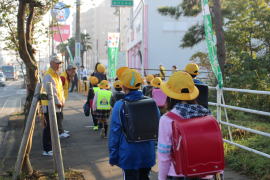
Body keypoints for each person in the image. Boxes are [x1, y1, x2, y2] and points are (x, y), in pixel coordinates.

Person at [158, 71, 215, 180]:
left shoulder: (167, 119)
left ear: (170, 95)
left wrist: (161, 178)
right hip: (205, 173)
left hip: (178, 173)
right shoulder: (207, 115)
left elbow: (164, 155)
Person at [109, 67, 157, 180]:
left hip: (129, 154)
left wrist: (113, 156)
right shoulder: (151, 103)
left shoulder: (119, 105)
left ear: (123, 86)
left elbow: (115, 133)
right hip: (147, 153)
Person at [41, 55, 68, 156]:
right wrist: (58, 101)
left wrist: (62, 100)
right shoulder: (49, 75)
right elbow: (51, 91)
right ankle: (47, 149)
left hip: (56, 104)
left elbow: (60, 90)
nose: (59, 65)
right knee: (49, 127)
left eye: (60, 63)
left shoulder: (56, 75)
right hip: (49, 105)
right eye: (57, 63)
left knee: (53, 127)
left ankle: (51, 147)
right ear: (51, 63)